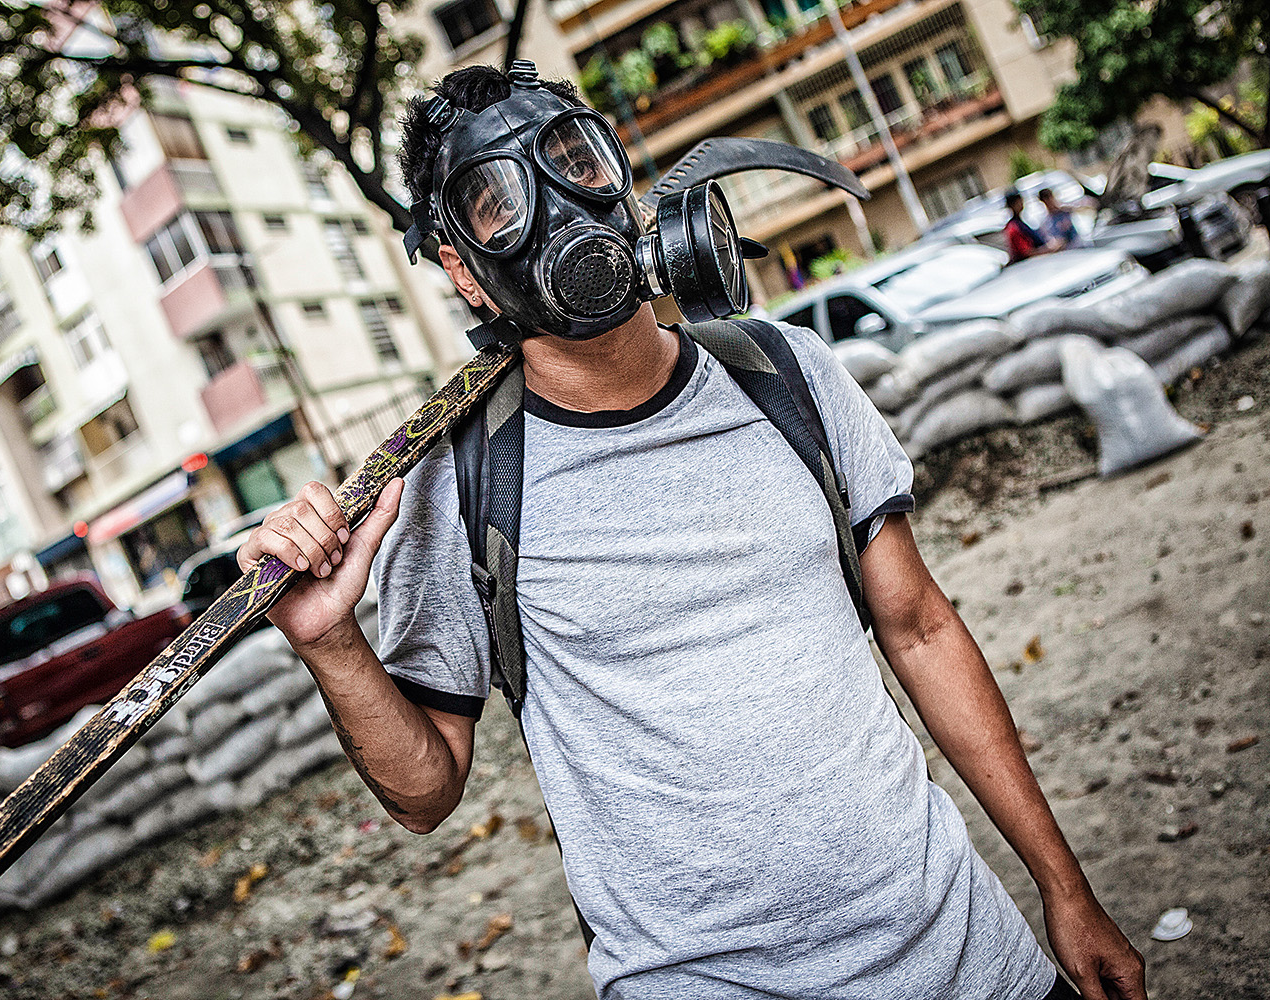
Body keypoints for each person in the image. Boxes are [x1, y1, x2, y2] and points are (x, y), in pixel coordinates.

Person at [238, 64, 1146, 1000]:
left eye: (572, 159)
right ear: (466, 271)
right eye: (497, 200)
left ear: (620, 172)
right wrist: (331, 643)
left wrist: (1064, 888)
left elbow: (921, 630)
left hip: (959, 952)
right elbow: (426, 794)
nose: (559, 204)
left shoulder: (787, 375)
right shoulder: (458, 481)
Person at [1003, 188, 1057, 263]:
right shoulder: (1013, 227)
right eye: (1018, 202)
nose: (1021, 203)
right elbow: (1027, 253)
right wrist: (1049, 249)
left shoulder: (1021, 222)